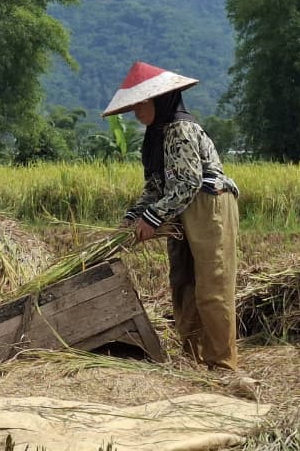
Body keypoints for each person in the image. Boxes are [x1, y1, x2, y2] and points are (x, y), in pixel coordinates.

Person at [103, 60, 241, 371]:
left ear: (157, 100)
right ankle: (190, 357)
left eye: (140, 106)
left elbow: (189, 182)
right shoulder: (156, 135)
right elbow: (155, 188)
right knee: (182, 282)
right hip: (180, 210)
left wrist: (152, 219)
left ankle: (222, 363)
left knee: (211, 286)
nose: (136, 114)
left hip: (208, 205)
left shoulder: (180, 128)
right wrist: (132, 219)